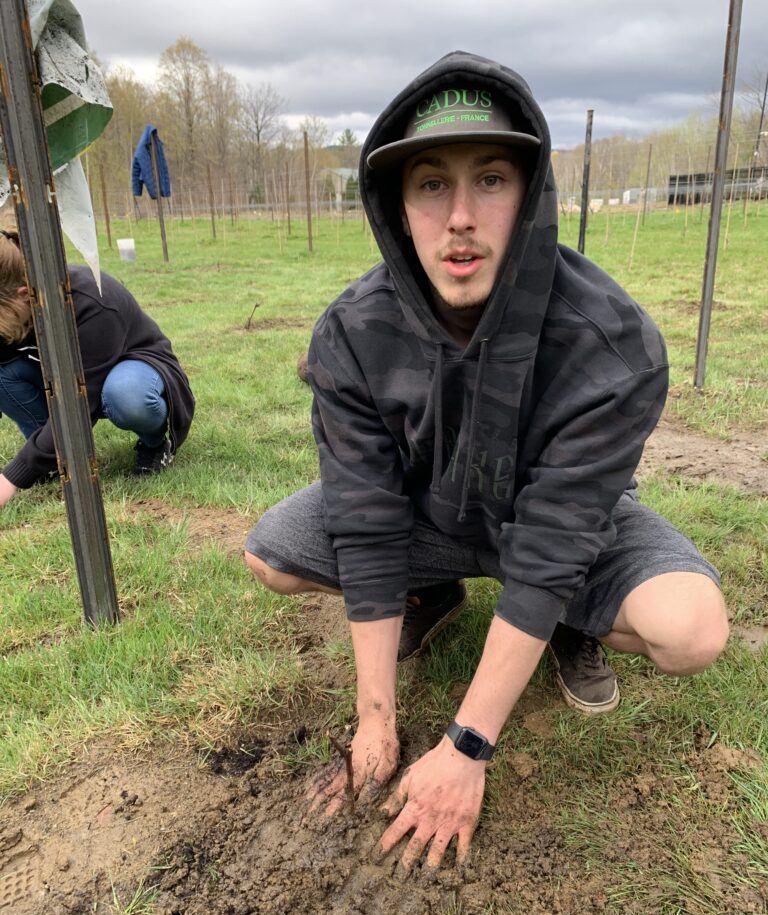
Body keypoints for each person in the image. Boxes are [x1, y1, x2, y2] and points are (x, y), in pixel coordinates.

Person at [244, 52, 728, 871]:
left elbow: (553, 543)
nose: (460, 215)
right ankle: (431, 593)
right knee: (272, 553)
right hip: (430, 515)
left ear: (531, 195)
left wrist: (465, 747)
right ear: (398, 206)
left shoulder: (612, 343)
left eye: (492, 179)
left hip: (552, 528)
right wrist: (375, 720)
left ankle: (574, 626)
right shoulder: (353, 333)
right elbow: (363, 521)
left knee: (692, 631)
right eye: (431, 184)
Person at [0, 228, 194, 507]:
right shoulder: (12, 305)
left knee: (125, 395)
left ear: (24, 295)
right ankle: (52, 459)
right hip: (70, 379)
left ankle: (153, 444)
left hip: (132, 368)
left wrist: (10, 478)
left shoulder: (92, 302)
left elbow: (77, 404)